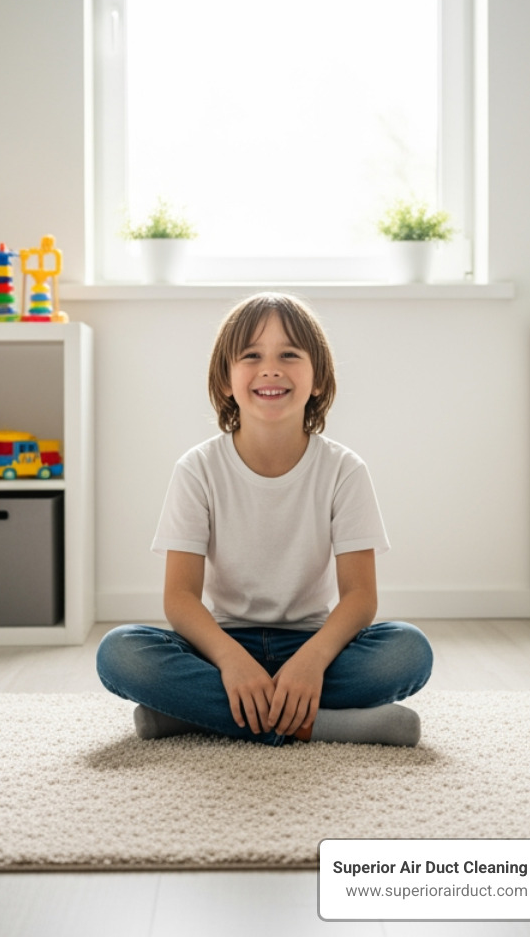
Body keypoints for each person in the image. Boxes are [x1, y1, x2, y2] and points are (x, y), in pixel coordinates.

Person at [96, 292, 431, 747]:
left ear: (317, 379)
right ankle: (314, 724)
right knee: (121, 653)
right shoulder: (197, 469)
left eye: (289, 355)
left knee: (407, 651)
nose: (270, 368)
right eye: (251, 355)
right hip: (221, 647)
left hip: (313, 647)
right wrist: (232, 662)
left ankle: (196, 715)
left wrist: (311, 662)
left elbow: (359, 598)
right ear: (225, 381)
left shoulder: (344, 470)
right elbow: (179, 598)